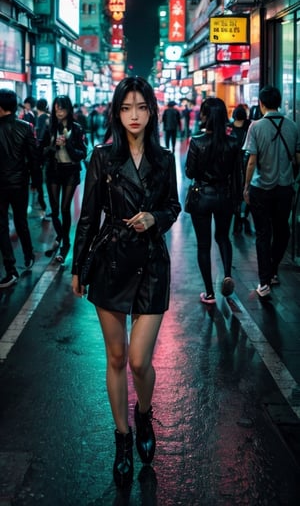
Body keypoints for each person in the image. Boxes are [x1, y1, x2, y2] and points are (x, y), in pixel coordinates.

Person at [71, 76, 181, 487]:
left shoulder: (165, 158)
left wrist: (157, 218)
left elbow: (173, 205)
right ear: (117, 114)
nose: (134, 116)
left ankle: (144, 414)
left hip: (152, 263)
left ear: (152, 111)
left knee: (139, 361)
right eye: (126, 108)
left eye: (141, 107)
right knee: (116, 358)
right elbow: (88, 217)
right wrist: (78, 267)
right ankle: (122, 437)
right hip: (111, 263)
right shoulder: (102, 158)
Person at [243, 85, 300, 298]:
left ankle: (264, 282)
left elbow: (251, 161)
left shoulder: (255, 127)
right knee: (282, 231)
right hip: (285, 189)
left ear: (262, 103)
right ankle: (273, 269)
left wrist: (246, 187)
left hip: (261, 189)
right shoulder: (293, 126)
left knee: (263, 234)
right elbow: (297, 158)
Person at [185, 97, 241, 305]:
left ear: (206, 116)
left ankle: (209, 293)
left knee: (203, 245)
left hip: (202, 196)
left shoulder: (197, 142)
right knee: (223, 237)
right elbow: (237, 175)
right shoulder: (233, 142)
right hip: (224, 195)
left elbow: (190, 172)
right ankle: (227, 274)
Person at [0, 89, 40, 288]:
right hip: (20, 182)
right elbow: (34, 159)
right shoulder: (26, 127)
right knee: (20, 220)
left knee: (1, 226)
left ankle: (10, 270)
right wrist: (37, 184)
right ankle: (28, 255)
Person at [43, 95, 87, 263]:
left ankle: (65, 243)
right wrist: (54, 146)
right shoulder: (49, 127)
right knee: (54, 211)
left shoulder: (76, 129)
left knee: (64, 208)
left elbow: (82, 154)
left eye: (61, 108)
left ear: (68, 109)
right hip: (53, 171)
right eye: (56, 108)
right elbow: (42, 151)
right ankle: (61, 236)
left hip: (70, 172)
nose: (58, 111)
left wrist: (67, 144)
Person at [229, 105, 252, 235]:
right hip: (247, 164)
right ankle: (243, 217)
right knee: (246, 192)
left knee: (235, 193)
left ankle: (238, 220)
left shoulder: (229, 128)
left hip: (232, 167)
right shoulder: (250, 126)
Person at [35, 98, 50, 219]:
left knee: (42, 182)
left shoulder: (41, 118)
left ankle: (44, 208)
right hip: (48, 154)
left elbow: (40, 138)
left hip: (42, 155)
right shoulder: (48, 117)